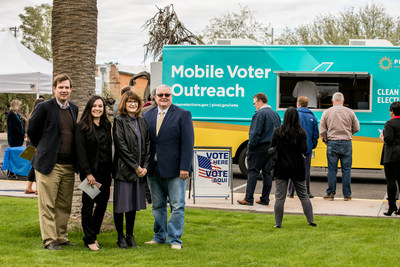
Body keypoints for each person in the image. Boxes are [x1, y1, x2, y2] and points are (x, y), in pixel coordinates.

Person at [27, 74, 79, 250]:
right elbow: (32, 131)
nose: (64, 90)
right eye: (60, 87)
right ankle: (49, 240)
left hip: (68, 165)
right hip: (49, 164)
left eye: (67, 87)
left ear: (71, 89)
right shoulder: (44, 107)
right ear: (54, 89)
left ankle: (61, 237)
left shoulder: (74, 108)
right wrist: (44, 147)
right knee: (47, 204)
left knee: (64, 204)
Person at [143, 84, 194, 250]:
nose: (164, 97)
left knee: (177, 205)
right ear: (155, 97)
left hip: (175, 169)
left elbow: (188, 143)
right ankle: (159, 236)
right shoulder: (147, 115)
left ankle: (175, 239)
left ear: (171, 96)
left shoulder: (182, 115)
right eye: (160, 95)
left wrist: (185, 167)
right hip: (153, 168)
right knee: (157, 205)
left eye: (167, 95)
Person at [74, 96, 113, 250]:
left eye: (100, 106)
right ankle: (89, 239)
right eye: (95, 106)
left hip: (105, 172)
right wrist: (88, 173)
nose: (98, 108)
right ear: (90, 108)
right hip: (90, 174)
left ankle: (93, 234)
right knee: (88, 206)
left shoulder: (105, 125)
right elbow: (81, 153)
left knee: (102, 205)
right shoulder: (82, 127)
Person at [113, 91, 150, 249]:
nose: (133, 104)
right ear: (124, 104)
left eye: (135, 101)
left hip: (140, 171)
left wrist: (145, 167)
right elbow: (121, 147)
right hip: (124, 171)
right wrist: (135, 167)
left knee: (133, 205)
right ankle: (120, 237)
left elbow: (148, 144)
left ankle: (130, 235)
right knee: (121, 205)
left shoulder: (142, 121)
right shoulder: (119, 120)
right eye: (129, 102)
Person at [271, 107, 316, 228]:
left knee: (280, 197)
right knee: (303, 195)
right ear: (297, 118)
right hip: (297, 166)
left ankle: (278, 223)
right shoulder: (301, 132)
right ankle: (310, 220)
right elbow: (305, 149)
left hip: (281, 167)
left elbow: (272, 148)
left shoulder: (277, 132)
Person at [237, 92, 281, 206]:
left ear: (260, 101)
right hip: (271, 148)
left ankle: (249, 198)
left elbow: (255, 133)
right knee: (267, 173)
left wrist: (250, 147)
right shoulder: (275, 114)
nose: (254, 105)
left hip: (259, 147)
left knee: (252, 171)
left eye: (254, 103)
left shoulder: (260, 114)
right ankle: (265, 199)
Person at [319, 92, 360, 201]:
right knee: (346, 170)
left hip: (332, 142)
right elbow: (357, 128)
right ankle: (347, 195)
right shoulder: (350, 112)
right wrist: (349, 133)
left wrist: (325, 139)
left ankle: (331, 193)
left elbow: (322, 129)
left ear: (332, 101)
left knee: (332, 170)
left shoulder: (326, 112)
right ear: (343, 100)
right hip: (346, 143)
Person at [288, 96, 319, 198]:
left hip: (293, 148)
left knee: (292, 169)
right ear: (307, 104)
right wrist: (312, 146)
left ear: (298, 104)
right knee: (306, 171)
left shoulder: (293, 115)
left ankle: (291, 192)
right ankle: (306, 192)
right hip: (307, 148)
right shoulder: (313, 117)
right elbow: (315, 135)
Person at [380, 101, 400, 216]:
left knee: (391, 182)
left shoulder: (389, 123)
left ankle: (392, 206)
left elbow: (388, 139)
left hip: (392, 155)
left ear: (392, 112)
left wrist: (382, 137)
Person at [24, 98, 45, 194]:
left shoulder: (30, 116)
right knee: (36, 166)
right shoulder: (37, 117)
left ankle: (29, 187)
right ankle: (36, 188)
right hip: (34, 144)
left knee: (33, 166)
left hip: (29, 143)